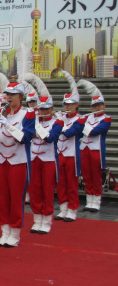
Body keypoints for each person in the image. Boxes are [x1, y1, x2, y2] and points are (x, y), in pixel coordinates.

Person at [0, 82, 35, 248]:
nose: (8, 98)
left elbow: (26, 137)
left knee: (16, 198)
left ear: (21, 97)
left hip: (17, 160)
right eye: (7, 94)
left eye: (12, 95)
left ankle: (15, 233)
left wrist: (8, 125)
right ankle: (4, 231)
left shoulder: (28, 114)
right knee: (1, 198)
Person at [27, 81, 63, 234]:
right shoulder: (32, 120)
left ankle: (47, 219)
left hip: (48, 159)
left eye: (46, 109)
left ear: (52, 109)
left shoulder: (58, 121)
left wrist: (35, 127)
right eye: (40, 109)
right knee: (34, 189)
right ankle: (37, 219)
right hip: (34, 158)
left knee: (47, 189)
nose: (42, 112)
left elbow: (50, 138)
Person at [78, 80, 111, 213]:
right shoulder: (87, 117)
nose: (97, 108)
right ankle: (89, 200)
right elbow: (79, 129)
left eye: (99, 105)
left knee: (96, 176)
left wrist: (82, 125)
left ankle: (96, 201)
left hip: (96, 150)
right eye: (95, 106)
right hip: (84, 149)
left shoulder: (106, 118)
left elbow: (96, 131)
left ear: (104, 105)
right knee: (86, 175)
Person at [55, 72, 85, 222]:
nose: (67, 106)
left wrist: (59, 123)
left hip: (72, 155)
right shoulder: (60, 117)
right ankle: (63, 208)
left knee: (72, 183)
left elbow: (70, 133)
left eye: (70, 104)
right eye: (65, 104)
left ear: (76, 105)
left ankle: (72, 209)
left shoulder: (81, 119)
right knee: (60, 183)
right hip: (59, 153)